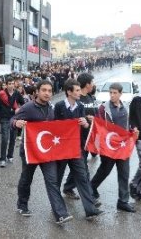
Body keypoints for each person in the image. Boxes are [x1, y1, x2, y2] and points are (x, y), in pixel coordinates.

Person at [12, 80, 73, 224]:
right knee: (26, 179)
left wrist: (77, 123)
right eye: (44, 90)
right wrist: (16, 123)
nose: (47, 93)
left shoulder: (52, 108)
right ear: (37, 92)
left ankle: (60, 214)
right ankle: (22, 205)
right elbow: (12, 120)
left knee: (52, 181)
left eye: (50, 91)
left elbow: (59, 127)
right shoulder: (28, 107)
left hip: (47, 153)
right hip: (30, 152)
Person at [54, 79, 103, 220]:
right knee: (56, 179)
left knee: (82, 178)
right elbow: (55, 126)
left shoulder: (80, 106)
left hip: (77, 149)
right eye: (76, 90)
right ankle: (57, 207)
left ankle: (90, 210)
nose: (79, 93)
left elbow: (85, 126)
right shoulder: (58, 106)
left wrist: (85, 124)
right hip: (62, 150)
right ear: (69, 92)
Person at [90, 82, 135, 213]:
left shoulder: (125, 106)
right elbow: (99, 126)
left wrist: (133, 130)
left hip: (122, 146)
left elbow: (128, 124)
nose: (112, 95)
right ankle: (91, 188)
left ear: (121, 94)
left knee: (124, 173)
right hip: (108, 146)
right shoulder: (103, 108)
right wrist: (97, 145)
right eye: (110, 92)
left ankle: (123, 201)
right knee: (104, 170)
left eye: (115, 93)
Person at [61, 72, 95, 198]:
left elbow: (95, 115)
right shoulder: (78, 100)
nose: (93, 84)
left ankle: (68, 187)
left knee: (80, 165)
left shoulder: (91, 97)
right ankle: (90, 196)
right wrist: (86, 118)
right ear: (87, 84)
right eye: (92, 82)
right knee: (83, 168)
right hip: (77, 138)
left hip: (88, 136)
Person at [0, 77, 25, 167]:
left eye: (12, 83)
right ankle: (2, 159)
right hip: (4, 118)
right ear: (6, 84)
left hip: (14, 118)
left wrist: (19, 109)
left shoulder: (17, 93)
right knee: (5, 139)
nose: (11, 85)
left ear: (14, 84)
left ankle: (10, 156)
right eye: (9, 84)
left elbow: (23, 103)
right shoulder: (2, 93)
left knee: (13, 138)